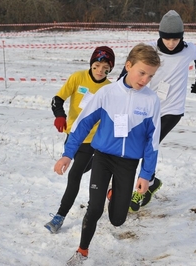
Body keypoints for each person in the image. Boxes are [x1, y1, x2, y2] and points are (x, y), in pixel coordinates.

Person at [54, 43, 161, 265]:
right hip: (102, 157)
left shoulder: (151, 100)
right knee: (94, 209)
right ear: (128, 66)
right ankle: (82, 251)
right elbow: (82, 125)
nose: (145, 80)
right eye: (142, 73)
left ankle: (113, 195)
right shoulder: (107, 93)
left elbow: (153, 141)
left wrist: (146, 174)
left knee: (118, 219)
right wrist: (68, 154)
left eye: (150, 76)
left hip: (128, 163)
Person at [119, 10, 196, 212]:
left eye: (176, 39)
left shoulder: (189, 49)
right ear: (160, 35)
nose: (172, 43)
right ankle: (152, 181)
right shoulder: (149, 48)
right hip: (147, 107)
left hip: (172, 110)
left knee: (150, 144)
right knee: (139, 145)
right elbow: (128, 70)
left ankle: (142, 188)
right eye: (167, 38)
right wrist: (118, 92)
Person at [44, 46, 115, 234]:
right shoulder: (77, 77)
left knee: (74, 175)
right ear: (91, 64)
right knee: (81, 169)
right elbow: (57, 99)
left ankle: (59, 217)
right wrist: (60, 115)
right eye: (97, 65)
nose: (100, 70)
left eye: (105, 68)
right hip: (73, 135)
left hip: (93, 141)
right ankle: (106, 175)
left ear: (110, 69)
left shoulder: (109, 88)